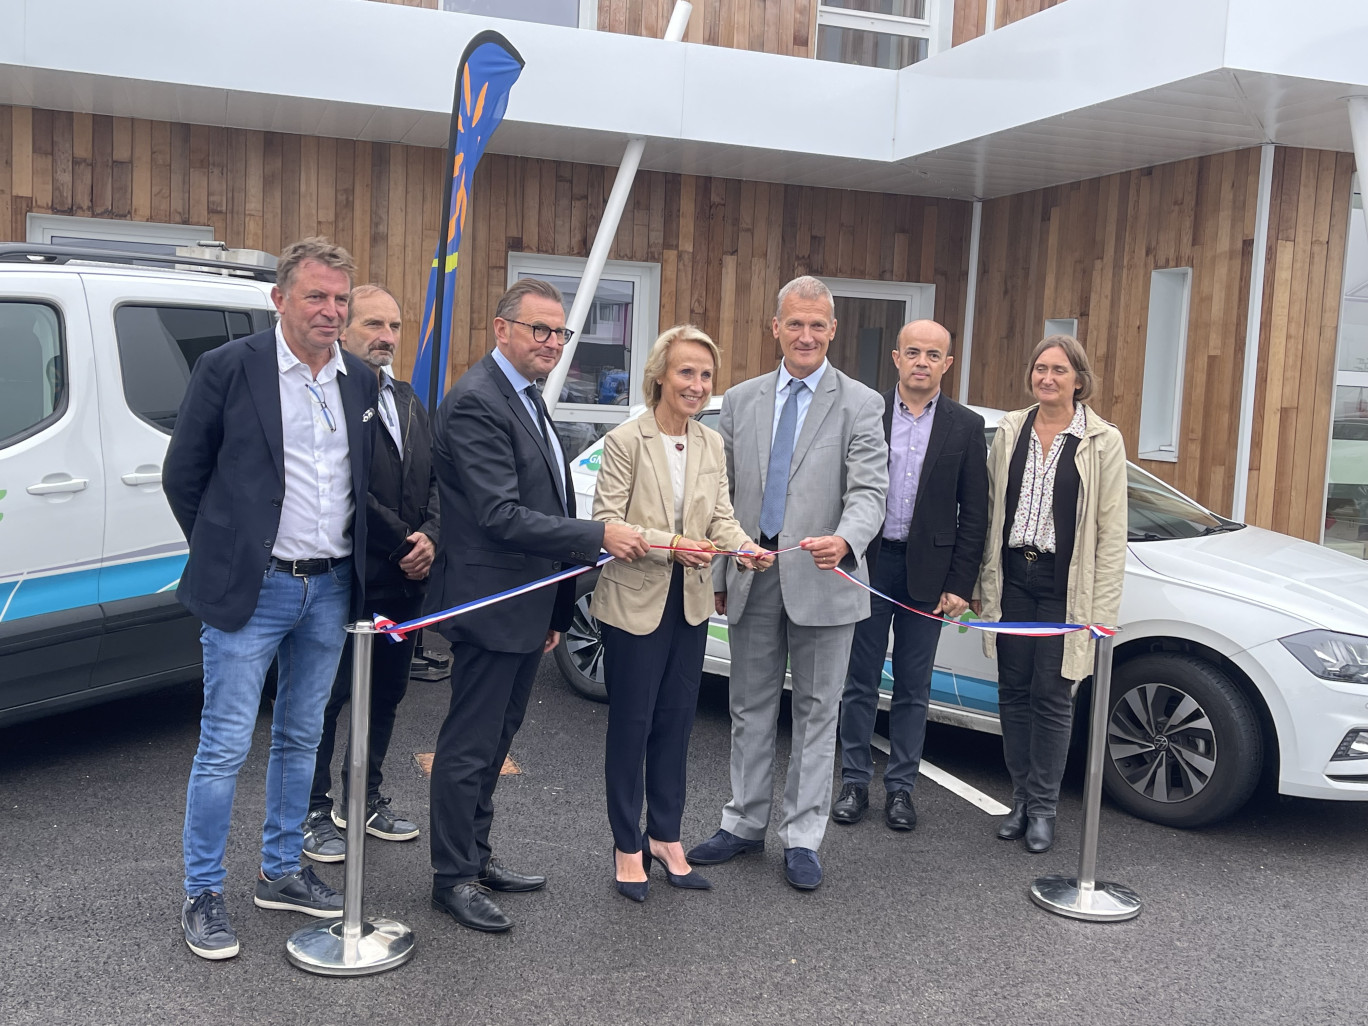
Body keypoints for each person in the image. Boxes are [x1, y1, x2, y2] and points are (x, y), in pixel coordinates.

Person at [163, 238, 377, 960]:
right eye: (316, 296)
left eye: (341, 299)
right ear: (279, 299)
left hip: (331, 588)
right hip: (251, 590)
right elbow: (183, 474)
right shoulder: (229, 368)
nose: (332, 311)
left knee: (300, 738)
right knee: (224, 745)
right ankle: (203, 890)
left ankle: (280, 871)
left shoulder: (361, 383)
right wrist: (228, 551)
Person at [426, 278, 649, 932]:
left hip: (525, 608)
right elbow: (500, 514)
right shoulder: (476, 401)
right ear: (502, 329)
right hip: (492, 604)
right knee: (470, 746)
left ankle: (477, 853)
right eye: (539, 330)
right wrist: (598, 537)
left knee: (497, 740)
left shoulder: (524, 398)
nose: (552, 343)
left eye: (561, 333)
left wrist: (554, 612)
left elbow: (543, 501)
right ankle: (451, 877)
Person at [687, 275, 888, 891]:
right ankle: (743, 822)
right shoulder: (741, 401)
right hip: (752, 573)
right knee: (747, 707)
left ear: (832, 331)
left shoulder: (861, 403)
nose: (805, 335)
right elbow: (723, 497)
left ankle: (802, 837)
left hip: (825, 577)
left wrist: (848, 540)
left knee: (816, 713)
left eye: (817, 325)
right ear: (775, 327)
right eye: (794, 323)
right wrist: (723, 567)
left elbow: (870, 491)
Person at [591, 325, 771, 902]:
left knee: (675, 725)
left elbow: (719, 517)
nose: (696, 385)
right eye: (686, 372)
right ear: (660, 377)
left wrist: (743, 547)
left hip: (689, 605)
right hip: (633, 603)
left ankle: (666, 837)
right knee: (632, 726)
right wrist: (671, 544)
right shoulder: (624, 440)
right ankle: (626, 844)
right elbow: (608, 521)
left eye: (705, 375)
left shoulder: (710, 443)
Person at [833, 320, 989, 831]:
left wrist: (960, 585)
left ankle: (901, 789)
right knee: (859, 681)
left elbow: (975, 513)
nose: (922, 362)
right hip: (870, 565)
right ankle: (854, 781)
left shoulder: (964, 427)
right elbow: (840, 488)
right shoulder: (865, 413)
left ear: (948, 363)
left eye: (933, 355)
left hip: (931, 573)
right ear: (897, 358)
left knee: (913, 687)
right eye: (913, 352)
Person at [976, 334, 1127, 854]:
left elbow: (1111, 534)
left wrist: (1100, 612)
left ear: (1078, 380)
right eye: (1040, 368)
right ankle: (1019, 799)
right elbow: (992, 510)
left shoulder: (1102, 440)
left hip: (1065, 586)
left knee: (1054, 694)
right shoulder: (1012, 429)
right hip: (1015, 576)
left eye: (1059, 370)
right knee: (1014, 692)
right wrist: (979, 585)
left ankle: (1044, 808)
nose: (1047, 378)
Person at [303, 284, 438, 862]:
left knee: (386, 691)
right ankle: (311, 809)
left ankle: (363, 797)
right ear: (344, 329)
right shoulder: (330, 400)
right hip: (348, 578)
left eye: (395, 326)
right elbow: (346, 489)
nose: (386, 337)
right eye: (373, 325)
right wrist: (405, 538)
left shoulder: (408, 399)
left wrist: (433, 534)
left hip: (404, 585)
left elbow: (436, 480)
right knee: (328, 697)